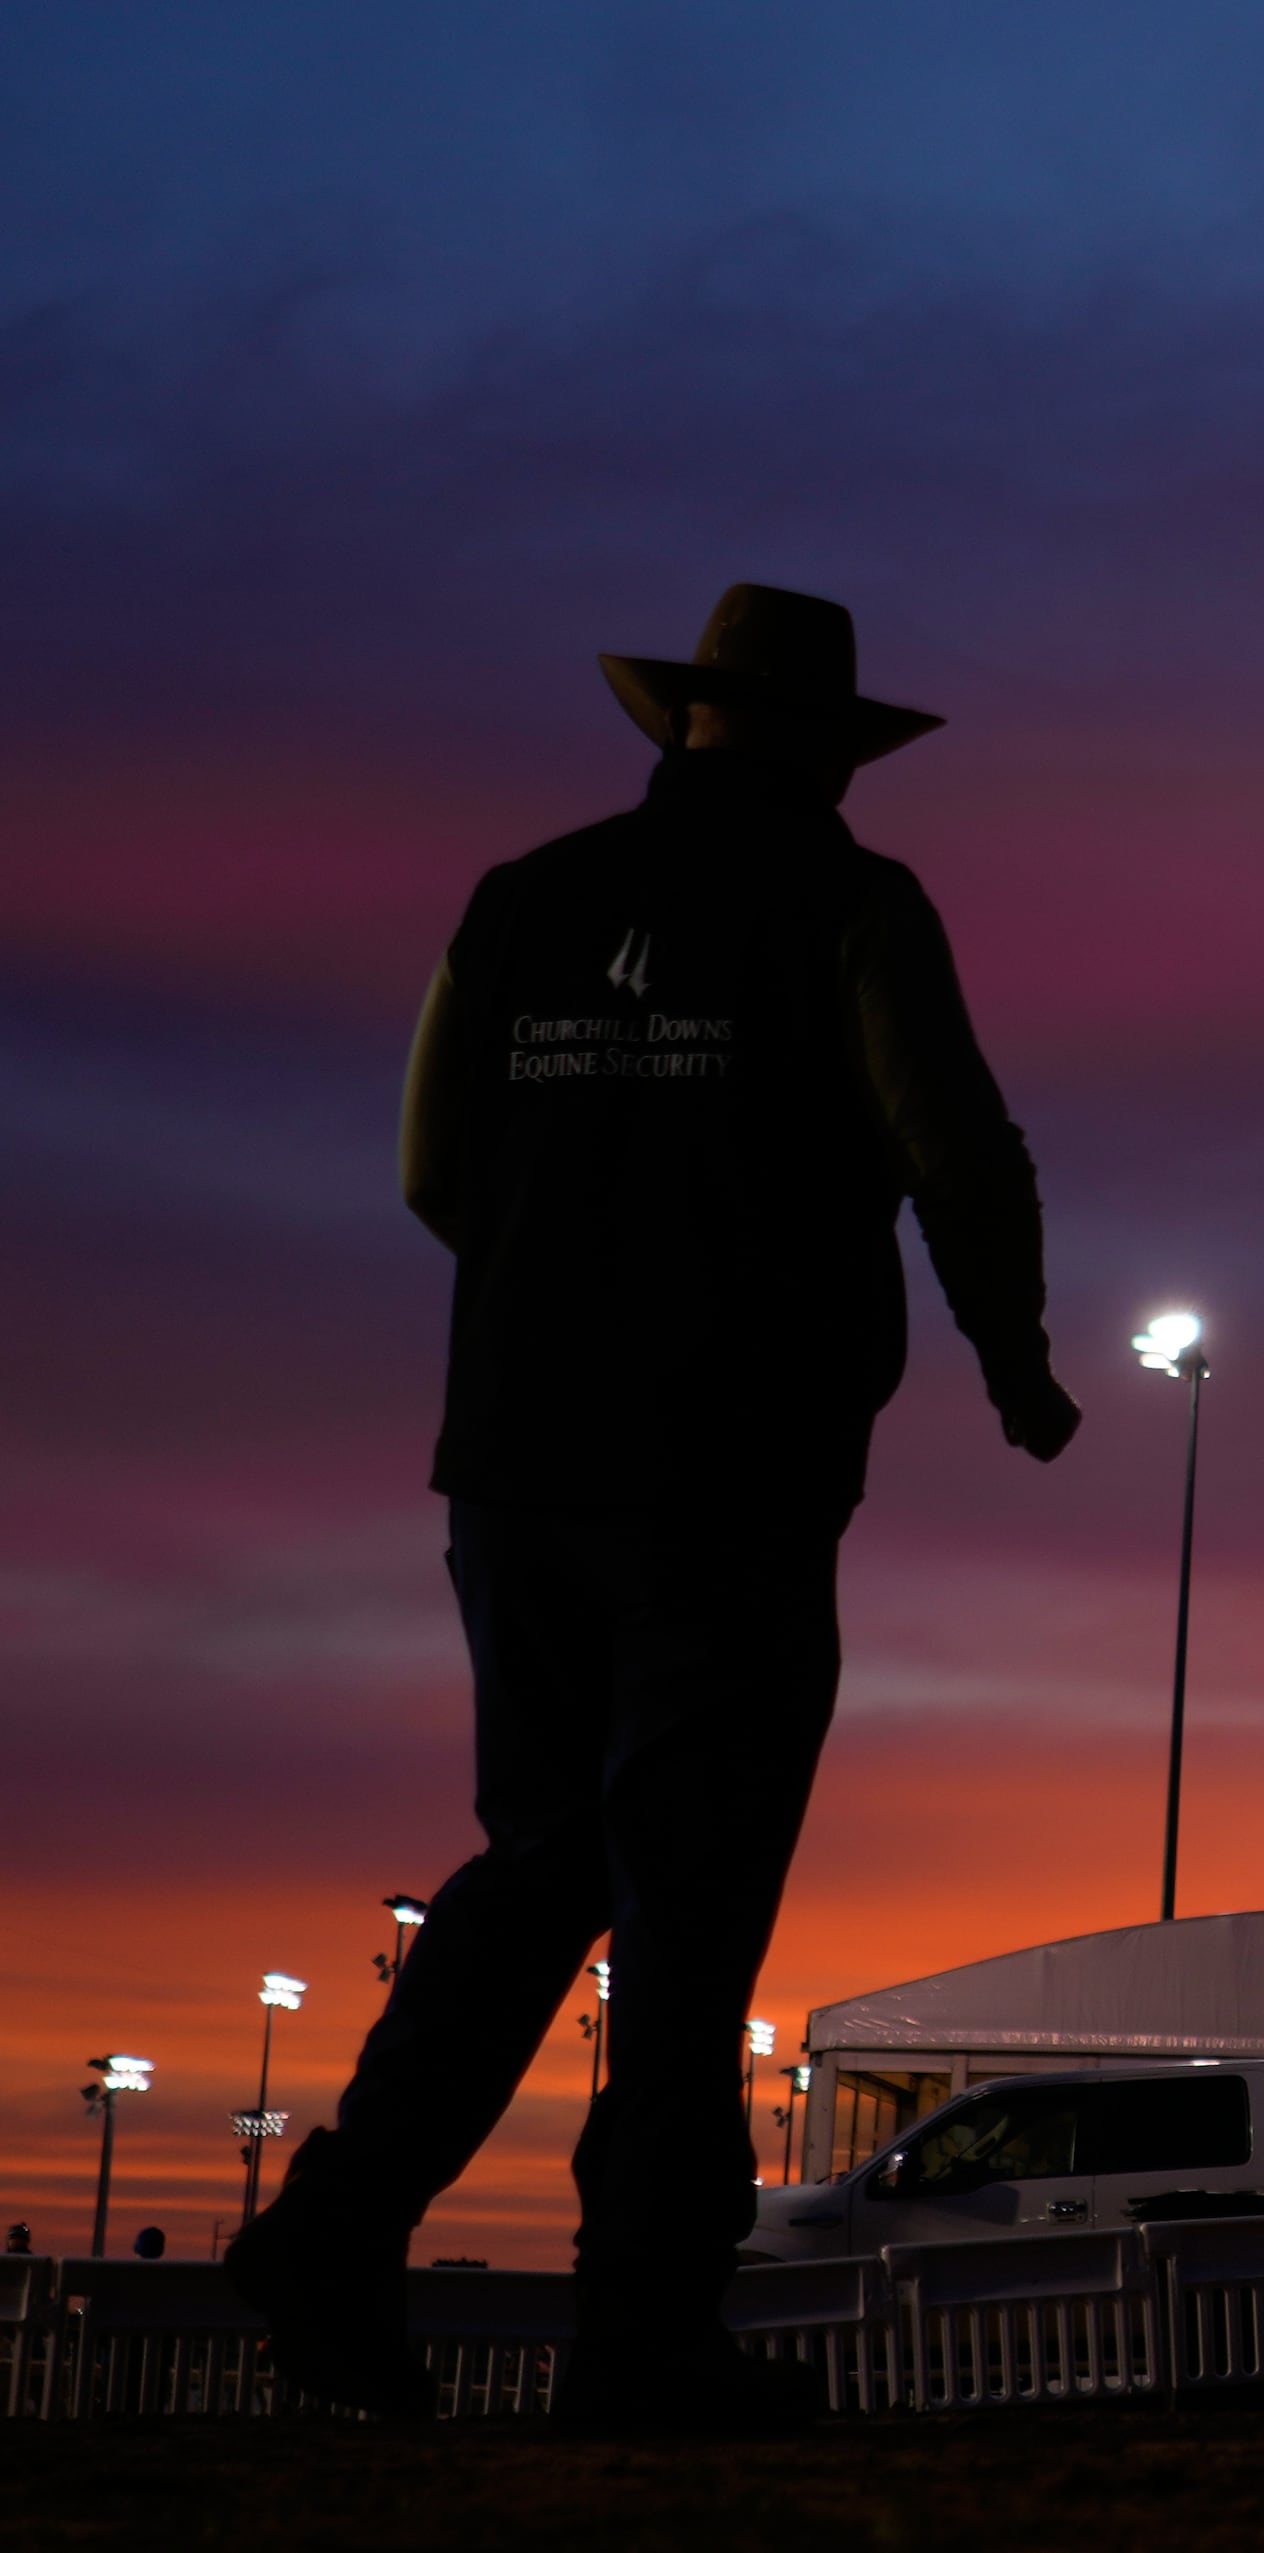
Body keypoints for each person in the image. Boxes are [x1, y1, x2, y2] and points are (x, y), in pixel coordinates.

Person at [224, 586, 1079, 2431]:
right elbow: (958, 1150)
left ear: (676, 725)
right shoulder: (852, 903)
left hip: (517, 1452)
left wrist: (569, 1286)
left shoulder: (518, 899)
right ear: (827, 751)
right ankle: (642, 2333)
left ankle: (337, 2222)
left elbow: (434, 1170)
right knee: (691, 1896)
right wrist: (1013, 1361)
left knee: (540, 1853)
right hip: (731, 1468)